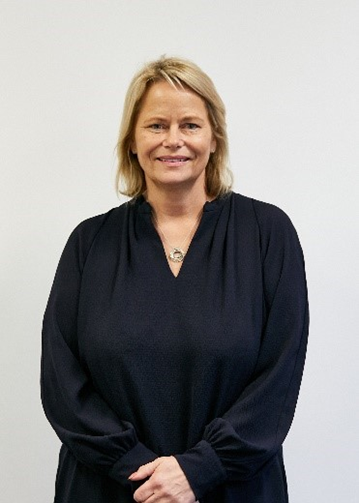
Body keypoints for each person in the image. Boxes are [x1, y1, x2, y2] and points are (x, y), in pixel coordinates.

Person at [41, 56, 309, 503]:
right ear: (131, 140)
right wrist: (144, 475)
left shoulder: (267, 234)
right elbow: (62, 382)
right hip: (108, 488)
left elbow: (278, 378)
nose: (173, 141)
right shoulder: (90, 244)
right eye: (155, 125)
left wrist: (201, 469)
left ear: (214, 138)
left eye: (189, 125)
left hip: (233, 487)